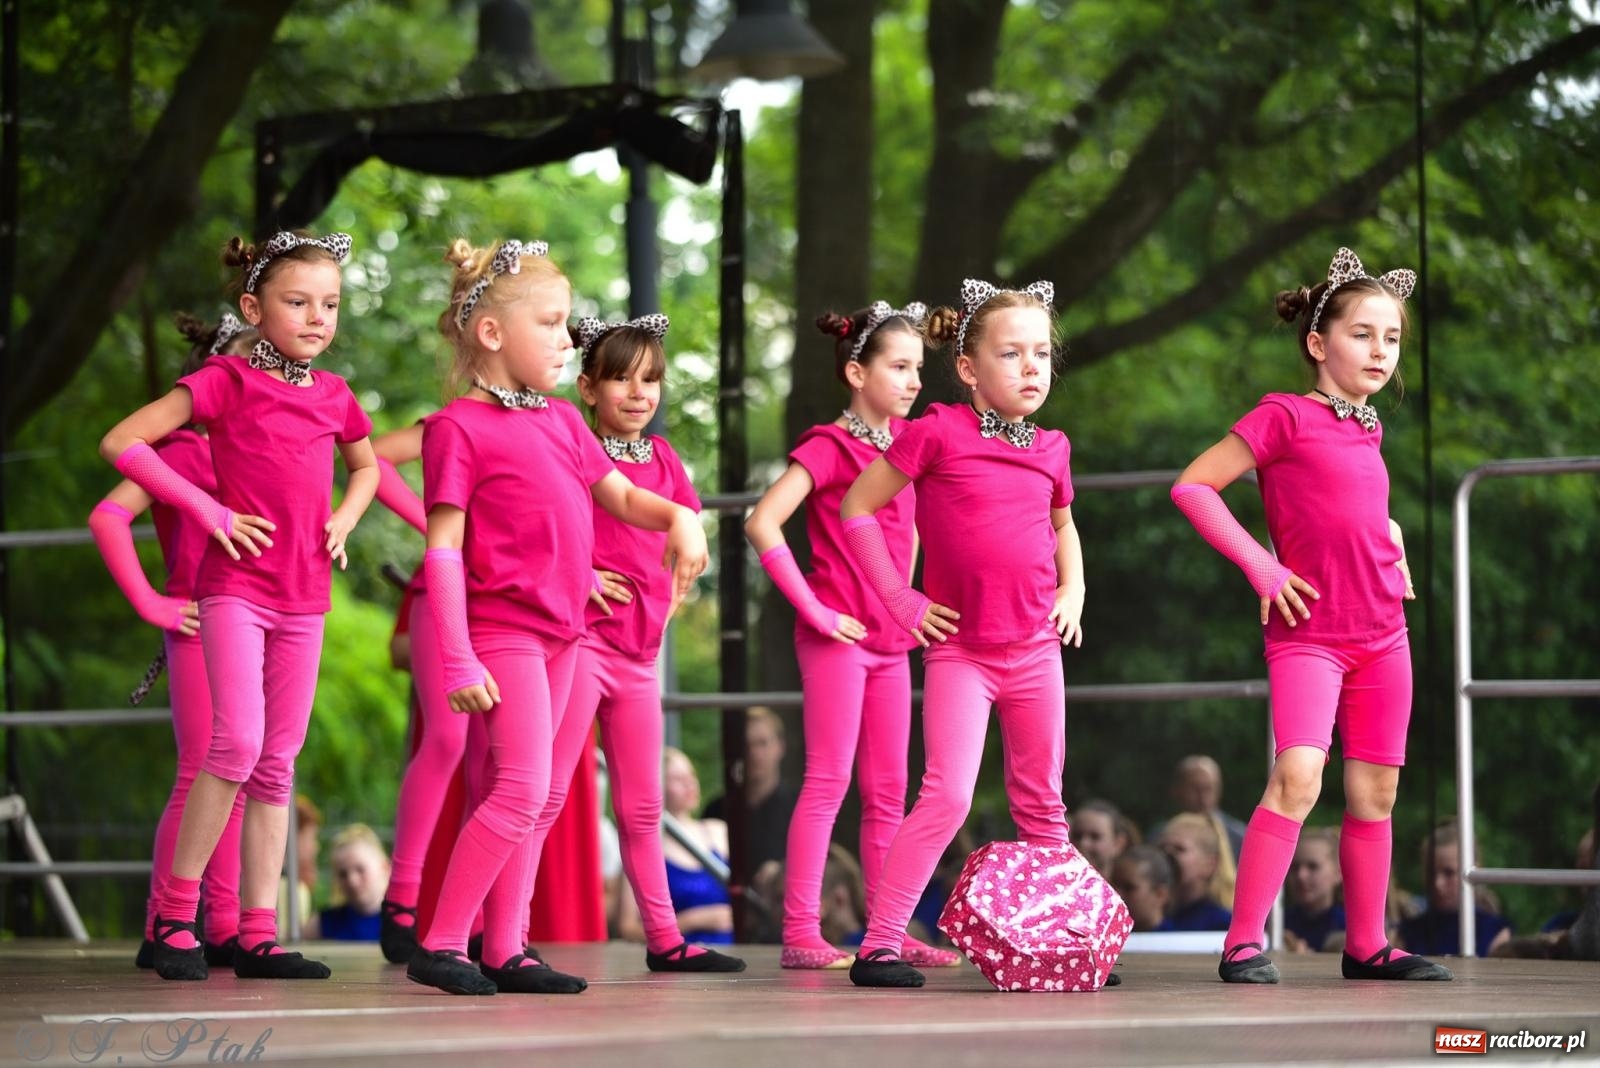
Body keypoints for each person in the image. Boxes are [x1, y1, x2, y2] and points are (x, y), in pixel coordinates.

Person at [403, 238, 707, 997]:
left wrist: (681, 517)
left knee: (539, 795)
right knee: (518, 788)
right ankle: (442, 940)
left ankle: (508, 946)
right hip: (503, 631)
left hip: (566, 633)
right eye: (551, 323)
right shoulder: (456, 428)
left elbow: (624, 498)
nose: (568, 340)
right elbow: (442, 551)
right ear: (492, 334)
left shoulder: (566, 426)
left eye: (569, 323)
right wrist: (459, 655)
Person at [100, 230, 377, 981]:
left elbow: (368, 465)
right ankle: (174, 920)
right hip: (235, 593)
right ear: (254, 306)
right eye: (298, 302)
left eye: (331, 304)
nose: (317, 317)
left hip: (306, 600)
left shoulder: (334, 394)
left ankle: (258, 930)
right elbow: (123, 441)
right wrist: (209, 511)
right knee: (234, 747)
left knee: (278, 766)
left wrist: (346, 517)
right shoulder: (226, 380)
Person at [1172, 246, 1451, 983]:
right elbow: (1195, 488)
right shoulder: (1283, 415)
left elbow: (1360, 509)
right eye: (1363, 334)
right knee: (1299, 777)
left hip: (1383, 632)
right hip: (1310, 635)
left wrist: (1392, 539)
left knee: (1376, 794)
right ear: (1317, 342)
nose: (1380, 351)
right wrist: (1261, 563)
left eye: (1392, 338)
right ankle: (1242, 942)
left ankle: (1366, 945)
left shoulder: (1369, 428)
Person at [840, 278, 1084, 989]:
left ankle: (1071, 943)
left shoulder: (1053, 447)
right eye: (1012, 354)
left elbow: (1064, 525)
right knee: (945, 795)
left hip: (1036, 649)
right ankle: (880, 943)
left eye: (1042, 354)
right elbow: (858, 509)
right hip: (962, 654)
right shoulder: (938, 430)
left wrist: (1075, 588)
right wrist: (901, 600)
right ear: (970, 369)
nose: (1033, 367)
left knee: (1043, 802)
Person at [527, 314, 743, 973]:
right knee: (545, 793)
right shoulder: (573, 450)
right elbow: (546, 525)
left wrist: (671, 602)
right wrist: (581, 573)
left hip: (639, 657)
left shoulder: (666, 460)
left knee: (643, 805)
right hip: (582, 646)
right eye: (620, 378)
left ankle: (664, 939)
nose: (638, 392)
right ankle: (499, 931)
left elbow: (685, 544)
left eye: (650, 379)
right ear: (587, 388)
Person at [745, 300, 952, 969]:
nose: (914, 379)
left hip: (891, 645)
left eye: (918, 367)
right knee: (829, 781)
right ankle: (801, 932)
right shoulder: (828, 446)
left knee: (890, 791)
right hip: (838, 638)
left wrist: (909, 605)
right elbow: (762, 522)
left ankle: (886, 931)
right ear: (857, 373)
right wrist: (813, 609)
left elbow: (913, 532)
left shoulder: (910, 445)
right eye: (899, 366)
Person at [90, 312, 256, 969]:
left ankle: (222, 922)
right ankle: (166, 921)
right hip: (198, 623)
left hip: (252, 622)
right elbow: (108, 517)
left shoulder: (259, 452)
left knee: (238, 775)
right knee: (200, 773)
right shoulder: (184, 447)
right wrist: (153, 603)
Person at [1397, 822, 1511, 957]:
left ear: (1475, 870)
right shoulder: (1405, 934)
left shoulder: (1497, 934)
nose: (1437, 883)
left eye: (1449, 873)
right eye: (1430, 873)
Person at [662, 747, 736, 946]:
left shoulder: (718, 831)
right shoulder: (650, 846)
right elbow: (628, 926)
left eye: (691, 775)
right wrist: (693, 920)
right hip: (682, 953)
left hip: (733, 948)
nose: (689, 783)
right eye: (677, 779)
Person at [1159, 813, 1234, 931]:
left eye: (1179, 849)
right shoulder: (1148, 913)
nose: (1167, 855)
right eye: (1162, 848)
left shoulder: (1223, 924)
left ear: (1210, 864)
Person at [1168, 755, 1247, 864]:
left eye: (1208, 789)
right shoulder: (1161, 838)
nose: (1202, 798)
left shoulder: (1241, 840)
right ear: (1177, 790)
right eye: (1195, 789)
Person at [318, 824, 391, 941]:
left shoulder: (406, 921)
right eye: (343, 874)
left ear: (385, 868)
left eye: (360, 869)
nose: (352, 881)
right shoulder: (323, 923)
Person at [1284, 827, 1346, 952]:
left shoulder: (1350, 928)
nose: (1301, 876)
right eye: (1294, 867)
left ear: (1338, 873)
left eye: (1313, 867)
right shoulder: (1277, 925)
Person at [1112, 845, 1176, 933]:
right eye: (1113, 886)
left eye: (1129, 888)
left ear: (1160, 895)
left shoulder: (1178, 943)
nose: (1117, 895)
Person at [1069, 798, 1132, 877]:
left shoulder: (1122, 888)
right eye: (1077, 835)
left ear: (1118, 844)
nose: (1083, 843)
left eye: (1095, 837)